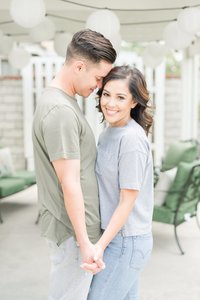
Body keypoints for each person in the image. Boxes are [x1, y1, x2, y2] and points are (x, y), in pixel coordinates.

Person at [32, 29, 116, 300]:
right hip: (73, 233)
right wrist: (85, 243)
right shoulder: (61, 112)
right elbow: (69, 183)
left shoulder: (61, 103)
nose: (99, 86)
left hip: (74, 231)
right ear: (79, 66)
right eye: (98, 77)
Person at [84, 65, 154, 300]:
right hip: (115, 237)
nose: (110, 103)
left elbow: (127, 201)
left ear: (134, 102)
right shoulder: (108, 132)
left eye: (120, 97)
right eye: (106, 94)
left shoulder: (132, 140)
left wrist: (100, 246)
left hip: (126, 241)